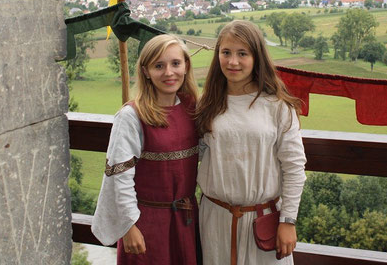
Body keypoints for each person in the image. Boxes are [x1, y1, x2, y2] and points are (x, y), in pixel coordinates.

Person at [195, 20, 307, 265]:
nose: (232, 62)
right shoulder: (207, 104)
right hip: (215, 220)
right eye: (226, 52)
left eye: (242, 53)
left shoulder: (278, 106)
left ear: (257, 57)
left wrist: (288, 221)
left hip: (264, 220)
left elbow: (294, 168)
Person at [92, 34, 200, 265]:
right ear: (145, 71)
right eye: (159, 66)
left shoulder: (193, 108)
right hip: (147, 222)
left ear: (186, 66)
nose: (169, 73)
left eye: (175, 63)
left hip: (187, 220)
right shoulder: (131, 116)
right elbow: (120, 176)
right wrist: (129, 226)